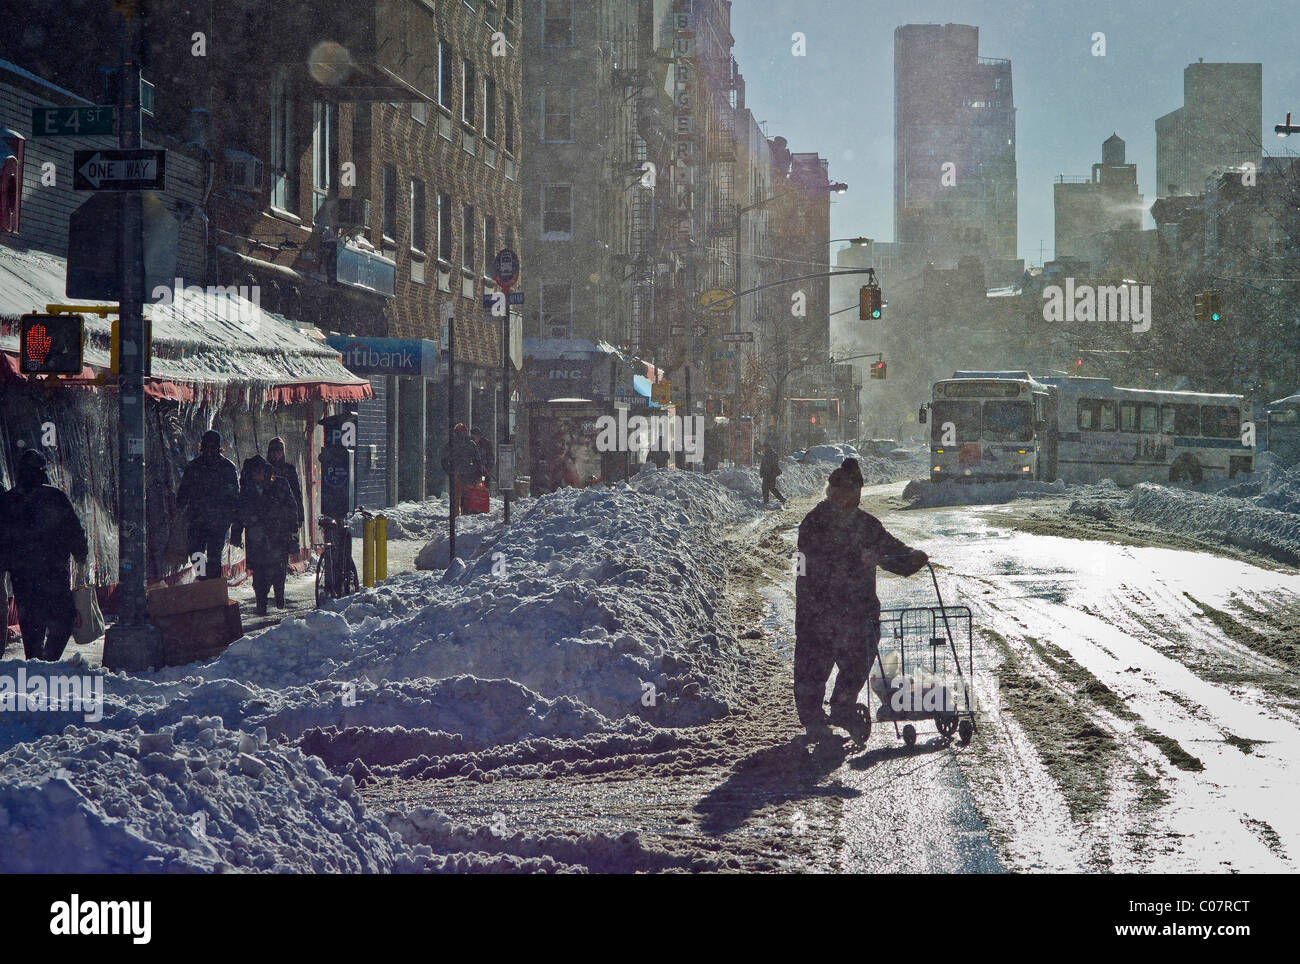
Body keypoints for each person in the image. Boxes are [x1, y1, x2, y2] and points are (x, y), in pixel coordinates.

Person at [794, 457, 928, 741]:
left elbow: (892, 550)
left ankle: (840, 706)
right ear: (833, 492)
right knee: (814, 661)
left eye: (854, 493)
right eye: (842, 492)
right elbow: (806, 565)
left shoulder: (865, 524)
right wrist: (859, 559)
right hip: (821, 608)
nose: (850, 498)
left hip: (857, 610)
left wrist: (912, 557)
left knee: (857, 656)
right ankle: (814, 717)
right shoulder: (813, 524)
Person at [0, 449, 88, 661]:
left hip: (22, 574)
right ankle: (49, 658)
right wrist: (80, 554)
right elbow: (74, 530)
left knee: (31, 623)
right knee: (64, 617)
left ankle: (35, 661)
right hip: (53, 570)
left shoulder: (8, 500)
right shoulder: (55, 496)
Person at [231, 455, 299, 616]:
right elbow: (239, 513)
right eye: (254, 472)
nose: (257, 475)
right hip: (256, 537)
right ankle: (261, 602)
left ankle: (279, 594)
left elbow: (291, 505)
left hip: (277, 534)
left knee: (278, 568)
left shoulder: (280, 484)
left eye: (260, 471)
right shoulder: (247, 490)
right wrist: (236, 533)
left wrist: (292, 526)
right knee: (259, 572)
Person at [176, 430, 239, 581]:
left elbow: (234, 496)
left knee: (213, 556)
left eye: (213, 447)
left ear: (218, 448)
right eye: (207, 446)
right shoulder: (195, 467)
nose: (210, 450)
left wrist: (231, 516)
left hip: (216, 521)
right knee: (198, 553)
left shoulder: (225, 467)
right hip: (200, 519)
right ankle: (205, 580)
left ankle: (211, 584)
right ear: (202, 447)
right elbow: (184, 492)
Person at [441, 423, 482, 518]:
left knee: (455, 496)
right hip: (469, 474)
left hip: (456, 473)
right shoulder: (471, 443)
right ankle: (465, 513)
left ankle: (456, 514)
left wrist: (449, 471)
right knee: (467, 495)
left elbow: (444, 460)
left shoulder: (451, 444)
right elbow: (478, 460)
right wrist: (478, 472)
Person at [760, 442, 785, 506]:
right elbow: (763, 465)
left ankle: (781, 499)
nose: (763, 449)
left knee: (771, 488)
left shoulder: (771, 454)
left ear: (767, 447)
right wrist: (762, 472)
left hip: (771, 474)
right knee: (766, 488)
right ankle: (767, 501)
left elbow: (773, 464)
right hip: (767, 474)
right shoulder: (766, 454)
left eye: (764, 447)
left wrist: (771, 472)